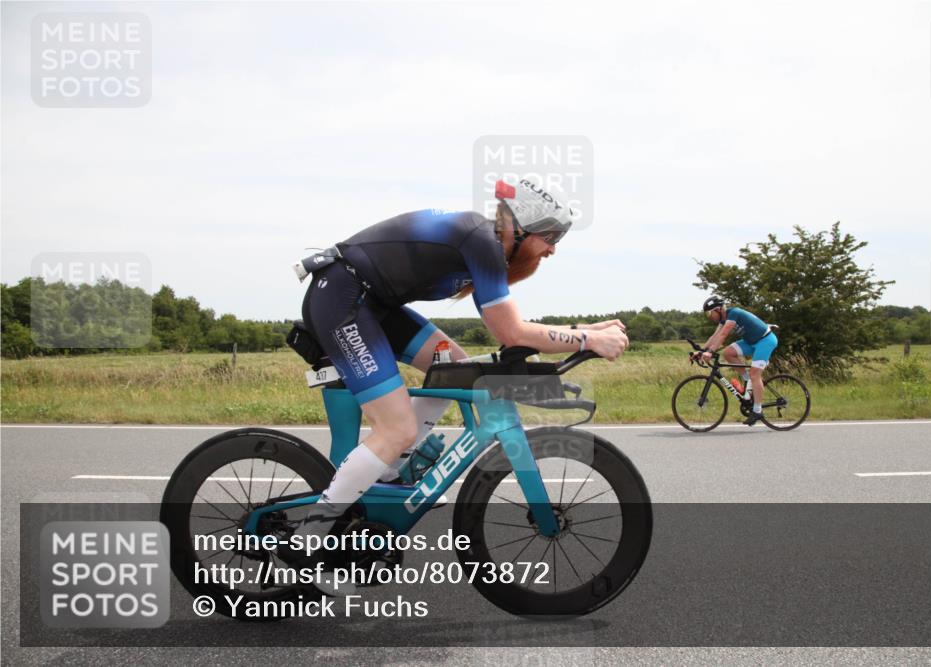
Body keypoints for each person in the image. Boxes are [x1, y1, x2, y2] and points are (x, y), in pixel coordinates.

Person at [291, 177, 629, 552]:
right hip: (344, 300)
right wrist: (588, 338)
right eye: (551, 236)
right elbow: (511, 332)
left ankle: (384, 471)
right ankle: (310, 538)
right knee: (397, 428)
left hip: (371, 303)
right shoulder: (481, 240)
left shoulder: (487, 246)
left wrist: (584, 330)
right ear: (522, 224)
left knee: (454, 367)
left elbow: (510, 328)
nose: (551, 249)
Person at [698, 296, 778, 426]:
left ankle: (757, 411)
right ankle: (747, 381)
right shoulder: (723, 320)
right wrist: (702, 351)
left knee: (755, 374)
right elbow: (715, 336)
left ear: (718, 310)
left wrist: (710, 352)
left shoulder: (733, 314)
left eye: (710, 313)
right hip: (751, 342)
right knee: (728, 353)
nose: (709, 316)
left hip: (765, 341)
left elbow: (723, 336)